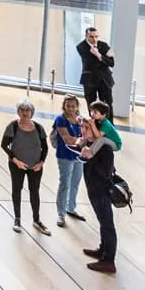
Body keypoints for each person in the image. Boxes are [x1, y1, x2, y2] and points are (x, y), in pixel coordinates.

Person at [0, 100, 50, 234]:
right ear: (18, 112)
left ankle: (36, 220)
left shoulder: (39, 128)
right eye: (22, 110)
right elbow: (4, 145)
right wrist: (15, 160)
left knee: (35, 191)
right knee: (17, 189)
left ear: (32, 113)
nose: (25, 113)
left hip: (35, 167)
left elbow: (45, 148)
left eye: (27, 111)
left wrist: (41, 162)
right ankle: (17, 219)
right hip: (17, 165)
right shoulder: (13, 126)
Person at [80, 121, 119, 274]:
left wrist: (90, 157)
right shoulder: (91, 145)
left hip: (102, 191)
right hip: (93, 190)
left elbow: (105, 171)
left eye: (87, 128)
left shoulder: (105, 149)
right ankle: (103, 249)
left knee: (107, 224)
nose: (83, 131)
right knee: (103, 222)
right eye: (82, 127)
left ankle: (109, 260)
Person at [51, 95, 86, 228]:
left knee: (75, 183)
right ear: (64, 106)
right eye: (68, 106)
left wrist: (81, 140)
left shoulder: (80, 120)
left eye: (73, 106)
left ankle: (71, 208)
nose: (71, 108)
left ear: (77, 106)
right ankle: (61, 213)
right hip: (65, 156)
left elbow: (86, 136)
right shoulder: (61, 119)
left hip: (79, 156)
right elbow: (67, 139)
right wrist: (82, 140)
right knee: (65, 184)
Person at [76, 26, 115, 109]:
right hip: (89, 80)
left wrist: (98, 55)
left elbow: (111, 63)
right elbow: (91, 63)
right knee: (91, 104)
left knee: (107, 104)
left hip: (105, 79)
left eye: (96, 36)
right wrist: (104, 59)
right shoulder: (80, 47)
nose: (94, 39)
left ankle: (108, 122)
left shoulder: (104, 45)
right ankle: (93, 122)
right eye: (91, 37)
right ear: (86, 36)